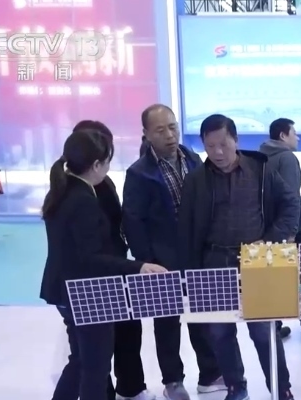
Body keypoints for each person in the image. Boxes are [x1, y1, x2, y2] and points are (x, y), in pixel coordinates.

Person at [176, 114, 299, 400]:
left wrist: (269, 240)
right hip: (214, 263)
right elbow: (186, 228)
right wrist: (188, 274)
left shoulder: (261, 170)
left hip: (257, 261)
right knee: (219, 332)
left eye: (224, 144)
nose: (217, 152)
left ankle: (281, 388)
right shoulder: (196, 180)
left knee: (264, 331)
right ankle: (235, 386)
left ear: (236, 140)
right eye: (210, 146)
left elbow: (291, 205)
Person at [40, 127, 167, 400]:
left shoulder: (64, 189)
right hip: (85, 292)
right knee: (95, 367)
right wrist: (138, 267)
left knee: (81, 361)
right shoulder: (82, 200)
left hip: (65, 289)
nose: (108, 168)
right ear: (96, 165)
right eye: (108, 161)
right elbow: (90, 258)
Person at [121, 105, 225, 400]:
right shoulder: (139, 173)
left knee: (203, 316)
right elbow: (133, 221)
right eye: (160, 130)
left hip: (197, 255)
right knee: (167, 324)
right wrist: (147, 260)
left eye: (172, 127)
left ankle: (210, 374)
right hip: (162, 261)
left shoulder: (193, 159)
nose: (169, 135)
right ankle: (173, 381)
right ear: (146, 134)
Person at [71, 120, 156, 400]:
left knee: (127, 330)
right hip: (94, 277)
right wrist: (136, 266)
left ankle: (131, 386)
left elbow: (119, 219)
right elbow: (86, 253)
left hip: (114, 268)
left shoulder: (101, 183)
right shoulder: (75, 193)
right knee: (91, 356)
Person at [261, 118, 301, 341]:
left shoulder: (260, 157)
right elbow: (291, 197)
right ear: (282, 135)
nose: (298, 137)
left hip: (268, 228)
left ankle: (275, 324)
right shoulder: (286, 158)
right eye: (294, 133)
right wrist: (291, 231)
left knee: (271, 276)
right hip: (291, 228)